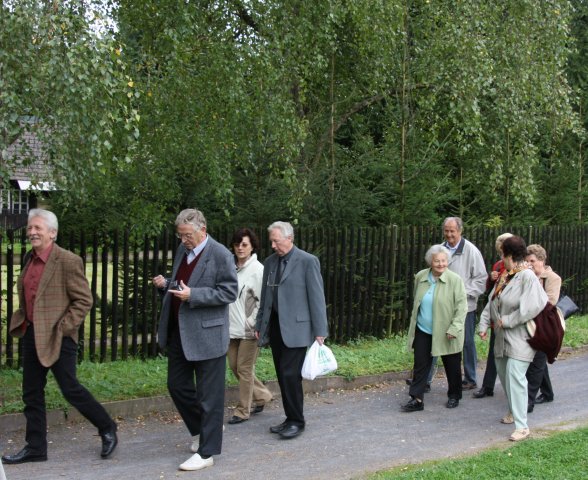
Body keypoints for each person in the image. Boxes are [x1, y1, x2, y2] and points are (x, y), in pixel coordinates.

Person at [1, 209, 117, 465]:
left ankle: (107, 427)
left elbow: (84, 300)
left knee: (70, 389)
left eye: (37, 228)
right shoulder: (31, 259)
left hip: (59, 337)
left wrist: (64, 328)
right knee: (31, 393)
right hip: (32, 333)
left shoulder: (67, 260)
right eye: (30, 228)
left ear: (52, 233)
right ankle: (36, 448)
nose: (32, 232)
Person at [152, 209, 238, 471]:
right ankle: (202, 430)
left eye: (187, 235)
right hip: (180, 332)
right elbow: (182, 283)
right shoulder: (183, 251)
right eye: (180, 236)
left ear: (202, 229)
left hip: (209, 334)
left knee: (209, 396)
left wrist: (194, 296)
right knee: (176, 385)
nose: (183, 241)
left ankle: (207, 452)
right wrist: (166, 284)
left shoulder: (221, 254)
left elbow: (229, 292)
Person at [255, 221, 329, 439]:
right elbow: (265, 297)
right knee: (282, 374)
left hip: (298, 328)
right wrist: (261, 324)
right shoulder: (269, 262)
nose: (273, 246)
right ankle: (290, 417)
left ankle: (297, 421)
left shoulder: (307, 261)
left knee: (290, 375)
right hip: (276, 327)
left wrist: (320, 330)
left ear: (289, 238)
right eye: (271, 241)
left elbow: (316, 297)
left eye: (276, 241)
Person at [479, 235, 548, 442]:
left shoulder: (527, 276)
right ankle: (513, 411)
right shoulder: (506, 275)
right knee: (505, 376)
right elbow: (492, 301)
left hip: (521, 337)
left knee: (515, 375)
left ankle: (522, 426)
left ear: (508, 255)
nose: (500, 257)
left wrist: (507, 320)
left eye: (502, 254)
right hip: (501, 338)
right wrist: (483, 324)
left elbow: (534, 306)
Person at [401, 245, 467, 412]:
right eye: (437, 261)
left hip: (447, 331)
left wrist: (455, 328)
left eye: (443, 261)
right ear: (430, 261)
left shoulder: (454, 280)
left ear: (448, 261)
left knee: (452, 365)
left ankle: (454, 395)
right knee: (420, 364)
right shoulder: (421, 276)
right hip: (424, 329)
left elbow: (462, 307)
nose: (440, 264)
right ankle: (416, 399)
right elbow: (417, 301)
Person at [227, 228, 273, 425]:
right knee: (234, 367)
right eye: (237, 244)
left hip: (250, 328)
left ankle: (242, 411)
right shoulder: (230, 266)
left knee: (244, 369)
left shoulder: (259, 270)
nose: (240, 248)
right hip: (230, 327)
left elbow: (264, 300)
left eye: (244, 244)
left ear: (252, 246)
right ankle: (262, 395)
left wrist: (257, 323)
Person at [442, 217, 486, 390]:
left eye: (452, 231)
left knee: (467, 341)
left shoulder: (471, 250)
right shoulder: (440, 249)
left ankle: (470, 378)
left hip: (465, 305)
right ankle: (426, 380)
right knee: (438, 339)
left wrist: (464, 293)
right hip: (444, 305)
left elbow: (481, 278)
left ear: (460, 231)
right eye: (446, 230)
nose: (449, 234)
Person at [473, 233, 513, 399]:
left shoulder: (520, 268)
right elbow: (490, 291)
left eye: (505, 250)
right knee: (493, 352)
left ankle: (541, 389)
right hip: (497, 315)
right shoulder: (498, 265)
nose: (502, 255)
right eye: (500, 250)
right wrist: (491, 278)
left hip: (512, 317)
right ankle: (487, 386)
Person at [525, 244, 561, 412]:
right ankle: (547, 393)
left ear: (541, 260)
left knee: (537, 361)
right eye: (527, 261)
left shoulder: (552, 278)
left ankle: (528, 401)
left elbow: (550, 302)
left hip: (545, 326)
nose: (530, 264)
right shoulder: (527, 276)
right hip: (530, 323)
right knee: (539, 360)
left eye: (532, 261)